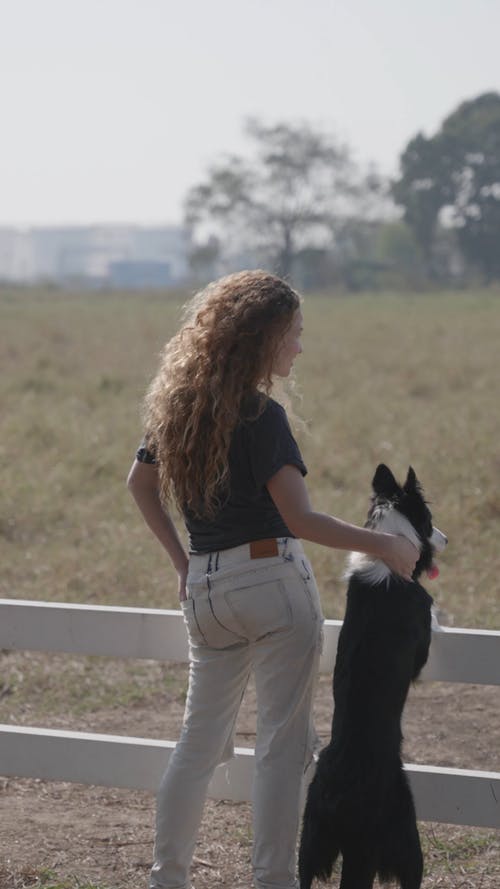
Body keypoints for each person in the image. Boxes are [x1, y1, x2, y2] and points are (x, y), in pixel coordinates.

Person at [127, 269, 418, 889]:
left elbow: (138, 485)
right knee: (282, 750)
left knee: (196, 746)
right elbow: (302, 519)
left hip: (205, 591)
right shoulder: (262, 416)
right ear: (261, 339)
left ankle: (167, 878)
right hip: (271, 585)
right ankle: (272, 882)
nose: (299, 348)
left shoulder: (178, 408)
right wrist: (386, 545)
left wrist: (184, 563)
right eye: (293, 335)